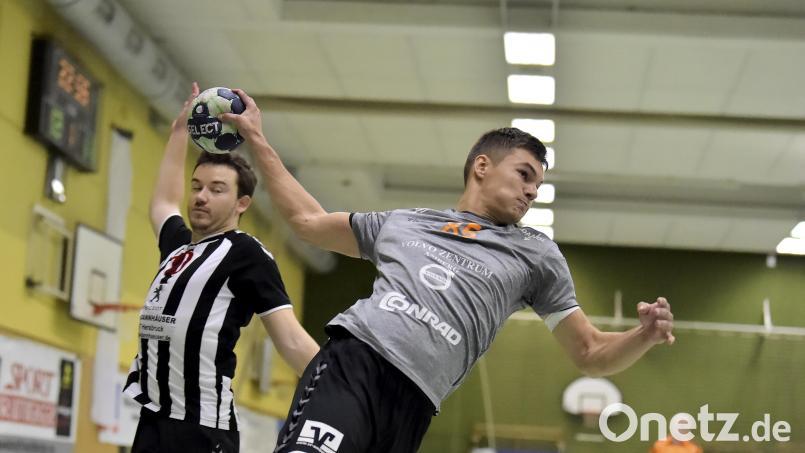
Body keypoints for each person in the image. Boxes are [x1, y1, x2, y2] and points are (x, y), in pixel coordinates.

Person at [221, 89, 676, 453]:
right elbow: (308, 224)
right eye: (524, 174)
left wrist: (644, 336)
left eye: (538, 183)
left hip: (415, 406)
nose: (532, 191)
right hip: (355, 365)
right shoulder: (405, 222)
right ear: (482, 166)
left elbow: (590, 352)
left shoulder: (536, 256)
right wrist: (257, 139)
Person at [123, 83, 320, 453]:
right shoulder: (179, 248)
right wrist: (180, 131)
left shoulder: (246, 253)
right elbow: (163, 202)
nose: (200, 196)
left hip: (201, 430)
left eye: (216, 189)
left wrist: (345, 391)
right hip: (153, 421)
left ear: (241, 203)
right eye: (197, 186)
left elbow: (291, 339)